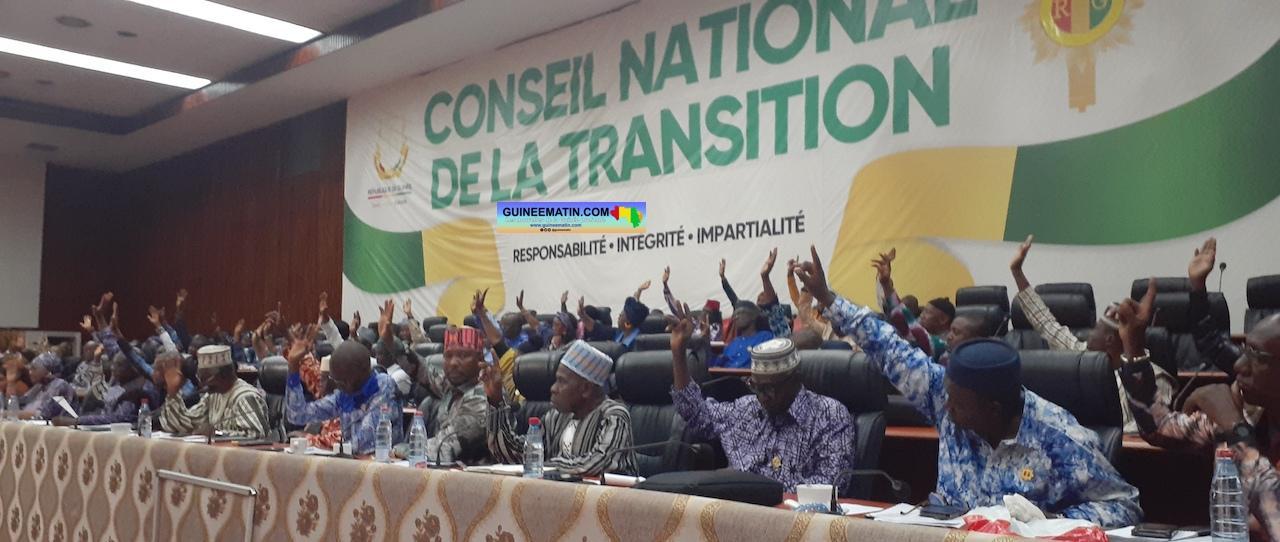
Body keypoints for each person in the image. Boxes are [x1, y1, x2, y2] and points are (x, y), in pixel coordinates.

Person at [793, 245, 1141, 527]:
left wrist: (1051, 523)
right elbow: (889, 347)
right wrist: (828, 297)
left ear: (993, 409)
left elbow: (1124, 506)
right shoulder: (945, 397)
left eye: (957, 405)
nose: (946, 409)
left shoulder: (1059, 436)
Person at [670, 300, 853, 492]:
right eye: (756, 387)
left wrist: (755, 487)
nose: (763, 397)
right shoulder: (746, 408)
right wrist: (678, 352)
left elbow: (833, 485)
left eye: (770, 388)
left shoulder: (829, 415)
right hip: (734, 506)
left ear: (796, 379)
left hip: (791, 510)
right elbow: (697, 414)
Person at [1010, 235, 1177, 433]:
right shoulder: (1083, 356)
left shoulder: (1156, 379)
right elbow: (1047, 324)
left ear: (1109, 340)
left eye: (1095, 329)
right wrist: (1017, 271)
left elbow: (1153, 429)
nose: (1088, 334)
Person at [485, 340, 636, 476]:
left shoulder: (614, 415)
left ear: (585, 389)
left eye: (561, 381)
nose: (553, 388)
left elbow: (601, 463)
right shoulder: (556, 416)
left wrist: (546, 467)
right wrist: (496, 399)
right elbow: (516, 455)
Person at [284, 324, 401, 455]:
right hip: (352, 462)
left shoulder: (383, 387)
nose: (336, 385)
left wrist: (324, 444)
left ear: (355, 376)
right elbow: (297, 415)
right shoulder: (345, 393)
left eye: (340, 381)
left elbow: (364, 444)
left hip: (384, 464)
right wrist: (293, 367)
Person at [397, 323, 491, 463]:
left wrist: (398, 450)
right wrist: (390, 341)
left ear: (480, 360)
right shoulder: (455, 386)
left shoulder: (485, 395)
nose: (453, 363)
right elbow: (420, 369)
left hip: (476, 475)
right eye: (448, 355)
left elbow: (444, 448)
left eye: (463, 355)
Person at [159, 345, 269, 439]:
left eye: (205, 378)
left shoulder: (245, 397)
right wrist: (173, 393)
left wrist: (216, 433)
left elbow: (256, 434)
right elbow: (187, 425)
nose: (201, 384)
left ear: (223, 375)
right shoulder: (213, 395)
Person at [871, 248, 952, 361]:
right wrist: (885, 283)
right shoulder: (916, 330)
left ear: (943, 319)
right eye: (923, 311)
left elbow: (905, 320)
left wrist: (886, 284)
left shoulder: (947, 344)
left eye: (927, 312)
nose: (922, 315)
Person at [54, 351, 159, 426]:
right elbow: (104, 410)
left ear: (134, 369)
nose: (113, 368)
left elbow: (119, 418)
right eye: (113, 364)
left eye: (119, 365)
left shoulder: (141, 389)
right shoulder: (119, 383)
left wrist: (77, 421)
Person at [720, 251, 794, 338]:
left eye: (763, 297)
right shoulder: (753, 317)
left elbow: (772, 303)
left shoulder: (777, 318)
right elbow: (735, 300)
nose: (759, 299)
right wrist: (723, 277)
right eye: (758, 299)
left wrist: (765, 276)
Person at [706, 300, 773, 368]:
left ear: (753, 316)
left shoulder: (765, 337)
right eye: (735, 315)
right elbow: (717, 363)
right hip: (725, 374)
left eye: (740, 313)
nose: (736, 317)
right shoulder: (734, 342)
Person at [18, 352, 75, 420]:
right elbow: (20, 403)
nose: (30, 372)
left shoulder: (60, 386)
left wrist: (14, 414)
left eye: (34, 368)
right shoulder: (39, 386)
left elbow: (45, 415)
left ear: (49, 371)